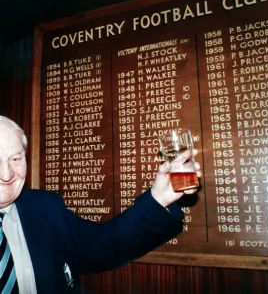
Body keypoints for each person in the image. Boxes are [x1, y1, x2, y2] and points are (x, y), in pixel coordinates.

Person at [0, 115, 201, 294]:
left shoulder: (45, 208)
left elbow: (105, 244)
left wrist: (159, 198)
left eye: (16, 159)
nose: (7, 174)